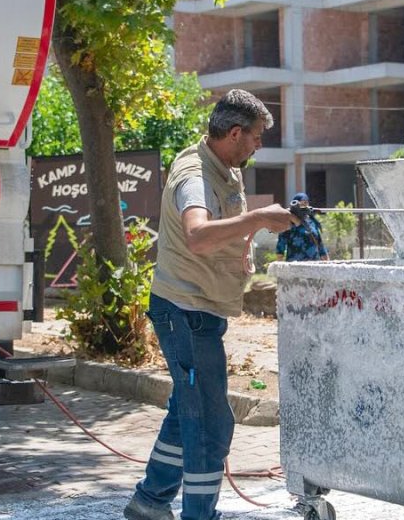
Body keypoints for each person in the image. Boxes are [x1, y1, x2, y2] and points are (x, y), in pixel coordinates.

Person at [124, 89, 297, 520]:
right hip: (184, 311)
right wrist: (257, 220)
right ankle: (200, 514)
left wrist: (247, 239)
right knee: (210, 425)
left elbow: (223, 230)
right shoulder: (194, 174)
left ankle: (150, 501)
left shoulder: (226, 166)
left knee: (187, 414)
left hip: (201, 311)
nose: (259, 144)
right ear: (235, 132)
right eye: (256, 136)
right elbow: (198, 235)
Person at [275, 192, 329, 262]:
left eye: (306, 203)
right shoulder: (288, 223)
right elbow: (281, 245)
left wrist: (326, 261)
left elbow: (320, 244)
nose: (305, 205)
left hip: (314, 264)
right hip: (295, 264)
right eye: (302, 203)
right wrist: (279, 263)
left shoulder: (312, 222)